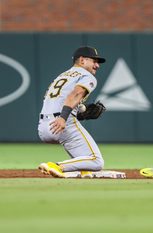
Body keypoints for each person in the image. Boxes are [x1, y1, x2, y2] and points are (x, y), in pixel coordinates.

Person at [37, 46, 106, 178]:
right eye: (94, 61)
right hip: (62, 123)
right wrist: (63, 118)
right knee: (96, 161)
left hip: (44, 126)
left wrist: (80, 115)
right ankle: (57, 166)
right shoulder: (86, 75)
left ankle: (82, 171)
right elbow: (75, 94)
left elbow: (56, 101)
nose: (97, 65)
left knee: (85, 161)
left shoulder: (62, 76)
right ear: (82, 60)